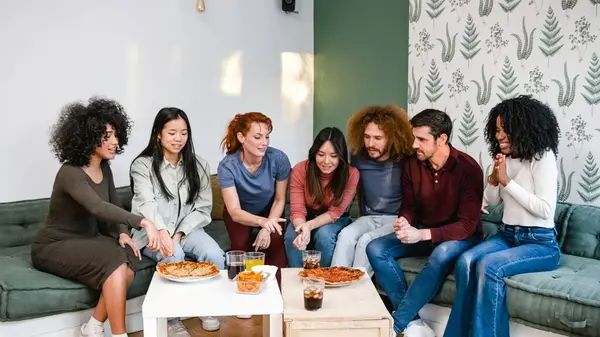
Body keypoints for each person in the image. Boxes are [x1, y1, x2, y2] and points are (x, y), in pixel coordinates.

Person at [30, 98, 160, 337]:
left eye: (116, 135)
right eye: (107, 136)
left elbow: (114, 203)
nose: (115, 142)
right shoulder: (70, 173)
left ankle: (93, 326)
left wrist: (122, 232)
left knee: (129, 256)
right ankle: (119, 335)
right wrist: (143, 222)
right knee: (114, 258)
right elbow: (98, 207)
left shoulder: (105, 167)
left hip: (87, 240)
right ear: (88, 137)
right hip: (54, 245)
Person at [444, 95, 561, 337]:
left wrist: (507, 181)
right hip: (507, 235)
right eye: (497, 130)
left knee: (489, 265)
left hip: (539, 242)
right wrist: (494, 180)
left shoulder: (543, 157)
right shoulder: (505, 158)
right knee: (466, 261)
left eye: (505, 129)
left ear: (523, 128)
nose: (499, 136)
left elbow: (545, 209)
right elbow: (492, 201)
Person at [366, 108, 484, 337]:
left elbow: (467, 225)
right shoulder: (412, 164)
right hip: (423, 231)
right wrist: (405, 220)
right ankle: (415, 323)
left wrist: (421, 234)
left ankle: (396, 325)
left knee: (441, 253)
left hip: (459, 237)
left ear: (442, 139)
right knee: (376, 248)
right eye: (414, 138)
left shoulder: (469, 169)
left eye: (421, 139)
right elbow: (409, 206)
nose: (414, 145)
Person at [129, 107, 225, 335]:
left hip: (187, 229)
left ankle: (207, 306)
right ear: (158, 134)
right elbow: (146, 204)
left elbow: (202, 208)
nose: (178, 138)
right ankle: (171, 317)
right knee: (174, 255)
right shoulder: (142, 166)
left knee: (214, 255)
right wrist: (163, 233)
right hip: (152, 231)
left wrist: (179, 234)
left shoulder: (199, 165)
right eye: (172, 132)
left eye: (183, 133)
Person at [330, 105, 413, 276]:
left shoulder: (406, 159)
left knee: (366, 241)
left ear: (392, 137)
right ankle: (336, 284)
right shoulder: (357, 156)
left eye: (378, 138)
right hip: (368, 217)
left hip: (396, 219)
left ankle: (357, 293)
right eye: (367, 137)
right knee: (345, 235)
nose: (370, 143)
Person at [217, 112, 291, 286]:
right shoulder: (227, 166)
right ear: (241, 137)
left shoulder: (278, 159)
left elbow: (280, 199)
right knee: (241, 246)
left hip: (270, 210)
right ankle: (245, 296)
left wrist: (267, 227)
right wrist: (262, 222)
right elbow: (234, 211)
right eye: (257, 137)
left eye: (267, 137)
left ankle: (275, 301)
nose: (264, 142)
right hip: (240, 214)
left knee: (275, 242)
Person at [284, 127, 360, 267]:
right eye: (321, 154)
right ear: (314, 153)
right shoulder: (300, 170)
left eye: (333, 155)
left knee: (324, 235)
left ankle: (324, 281)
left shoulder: (351, 174)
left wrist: (310, 226)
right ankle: (296, 282)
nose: (326, 161)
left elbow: (335, 212)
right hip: (305, 216)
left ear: (341, 156)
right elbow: (297, 210)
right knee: (292, 236)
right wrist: (302, 228)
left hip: (335, 219)